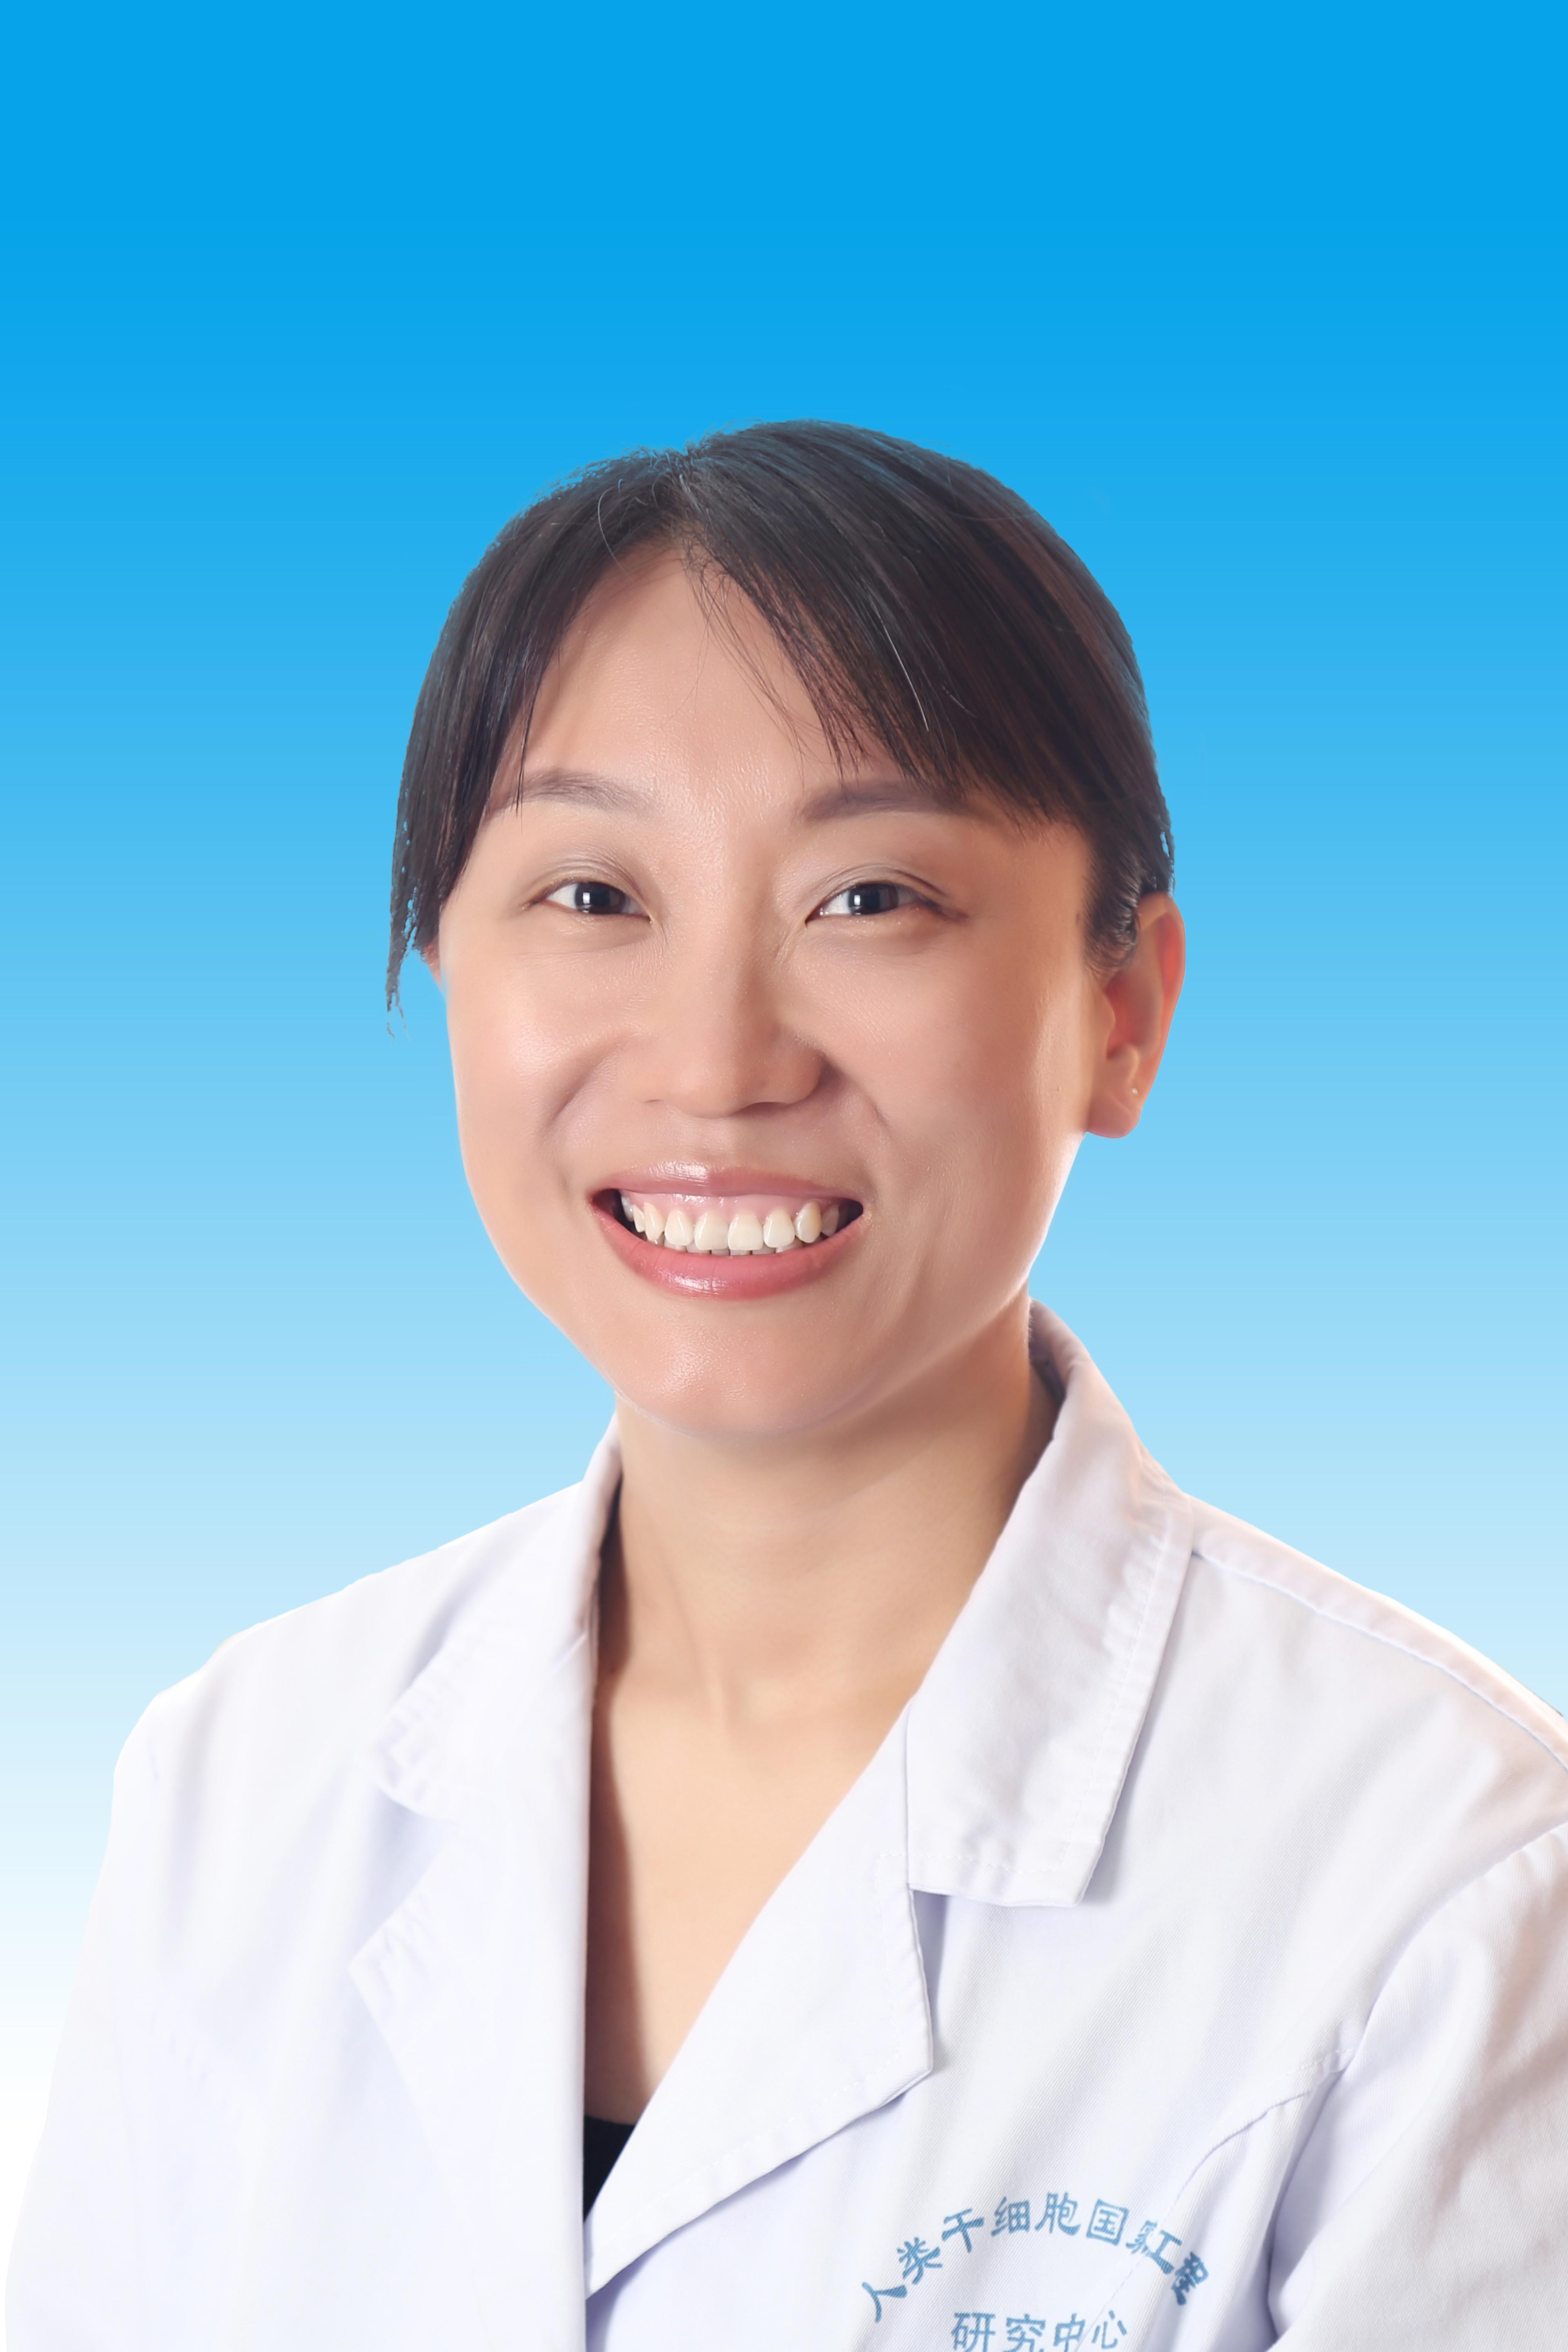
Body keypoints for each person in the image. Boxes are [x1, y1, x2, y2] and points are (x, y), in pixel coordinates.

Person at [9, 422, 1566, 2350]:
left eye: (869, 898)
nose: (717, 1061)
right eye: (594, 896)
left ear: (1122, 1013)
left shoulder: (1446, 1889)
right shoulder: (243, 1778)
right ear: (448, 969)